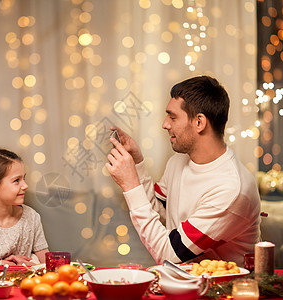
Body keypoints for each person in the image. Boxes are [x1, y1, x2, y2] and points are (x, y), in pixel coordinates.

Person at [106, 75, 260, 266]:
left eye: (172, 117)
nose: (165, 124)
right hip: (185, 283)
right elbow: (160, 211)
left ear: (199, 122)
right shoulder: (178, 161)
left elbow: (168, 254)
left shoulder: (231, 189)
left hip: (226, 291)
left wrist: (130, 185)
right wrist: (137, 163)